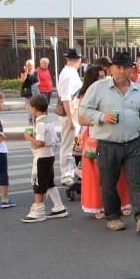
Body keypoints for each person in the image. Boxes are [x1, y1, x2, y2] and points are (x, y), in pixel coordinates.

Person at [80, 52, 140, 233]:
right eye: (118, 67)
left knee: (137, 181)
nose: (122, 71)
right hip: (107, 144)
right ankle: (113, 216)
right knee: (108, 182)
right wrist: (101, 116)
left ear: (132, 69)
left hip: (133, 143)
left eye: (125, 67)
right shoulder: (98, 88)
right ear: (111, 68)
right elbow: (83, 111)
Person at [78, 65, 131, 220]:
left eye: (103, 76)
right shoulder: (86, 95)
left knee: (118, 172)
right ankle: (98, 206)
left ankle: (122, 204)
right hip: (95, 137)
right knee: (97, 176)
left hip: (113, 136)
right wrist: (101, 118)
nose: (103, 79)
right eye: (99, 76)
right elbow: (80, 118)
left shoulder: (111, 91)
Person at [21, 95, 68, 222]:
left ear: (34, 109)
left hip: (41, 157)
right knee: (48, 183)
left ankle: (38, 211)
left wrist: (28, 137)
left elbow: (40, 142)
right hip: (49, 155)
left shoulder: (40, 123)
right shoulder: (48, 121)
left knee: (38, 183)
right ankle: (59, 207)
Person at [57, 48, 84, 186]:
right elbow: (66, 98)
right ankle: (66, 175)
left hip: (73, 110)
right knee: (68, 145)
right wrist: (70, 118)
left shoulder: (69, 72)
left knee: (73, 145)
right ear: (78, 59)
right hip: (71, 111)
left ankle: (70, 173)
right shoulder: (68, 73)